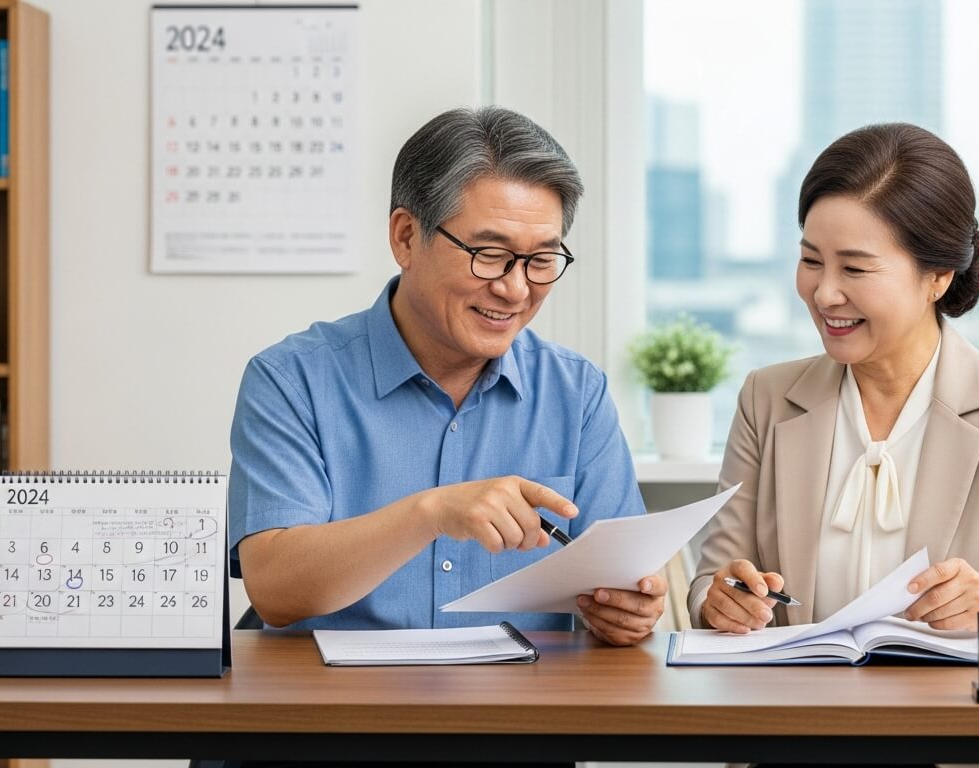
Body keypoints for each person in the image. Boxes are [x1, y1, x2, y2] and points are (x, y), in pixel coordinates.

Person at [229, 106, 666, 646]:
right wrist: (429, 513)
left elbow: (625, 578)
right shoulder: (291, 381)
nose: (515, 289)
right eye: (489, 254)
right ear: (406, 237)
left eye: (541, 260)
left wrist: (629, 610)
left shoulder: (576, 393)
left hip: (527, 696)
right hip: (334, 696)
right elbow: (273, 588)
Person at [690, 122, 979, 639]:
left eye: (855, 269)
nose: (824, 293)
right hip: (798, 689)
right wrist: (722, 601)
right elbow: (711, 581)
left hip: (948, 692)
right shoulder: (767, 398)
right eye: (811, 261)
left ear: (938, 276)